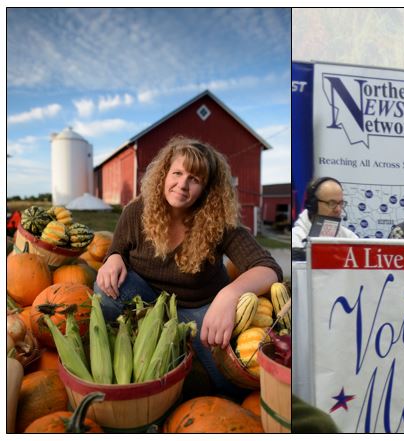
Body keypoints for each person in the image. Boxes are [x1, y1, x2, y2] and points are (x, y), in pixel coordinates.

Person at [94, 137, 283, 396]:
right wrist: (113, 257)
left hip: (198, 308)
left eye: (194, 179)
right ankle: (119, 354)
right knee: (106, 288)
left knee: (229, 382)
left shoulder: (219, 223)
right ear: (164, 174)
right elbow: (117, 248)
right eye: (177, 173)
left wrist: (229, 294)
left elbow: (268, 267)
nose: (182, 185)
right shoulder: (137, 211)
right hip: (147, 300)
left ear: (207, 189)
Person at [291, 177, 358, 250]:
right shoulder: (295, 239)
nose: (338, 209)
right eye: (332, 203)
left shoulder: (348, 237)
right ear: (313, 205)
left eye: (341, 203)